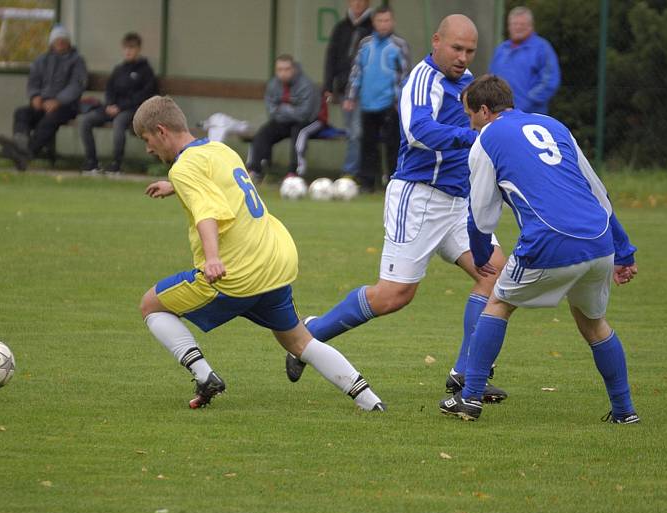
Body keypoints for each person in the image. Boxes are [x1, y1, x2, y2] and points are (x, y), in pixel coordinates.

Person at [285, 15, 508, 404]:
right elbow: (418, 132)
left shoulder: (467, 81)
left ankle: (466, 374)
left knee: (495, 273)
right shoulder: (422, 80)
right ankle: (309, 335)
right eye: (456, 48)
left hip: (458, 202)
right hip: (419, 198)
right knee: (394, 295)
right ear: (436, 41)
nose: (462, 57)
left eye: (470, 51)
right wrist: (471, 135)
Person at [133, 95, 385, 412]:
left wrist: (212, 258)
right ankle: (370, 402)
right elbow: (221, 183)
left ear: (161, 131)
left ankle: (204, 375)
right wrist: (175, 184)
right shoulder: (218, 149)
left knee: (150, 305)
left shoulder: (185, 169)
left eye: (146, 140)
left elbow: (207, 212)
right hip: (274, 259)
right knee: (298, 341)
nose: (148, 149)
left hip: (236, 272)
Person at [439, 75, 639, 424]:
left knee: (498, 303)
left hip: (549, 240)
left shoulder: (487, 138)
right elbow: (599, 192)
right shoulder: (553, 125)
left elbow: (482, 213)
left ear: (484, 111)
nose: (469, 121)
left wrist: (481, 252)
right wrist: (624, 250)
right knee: (594, 324)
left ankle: (469, 398)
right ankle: (625, 411)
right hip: (599, 238)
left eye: (469, 114)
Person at [0, 25, 87, 171]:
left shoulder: (77, 61)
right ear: (52, 42)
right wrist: (35, 96)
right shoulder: (41, 60)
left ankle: (27, 152)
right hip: (42, 103)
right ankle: (20, 145)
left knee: (50, 119)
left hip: (66, 106)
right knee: (22, 113)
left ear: (68, 43)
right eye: (57, 40)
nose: (60, 43)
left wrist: (58, 101)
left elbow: (76, 86)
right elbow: (33, 81)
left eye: (63, 40)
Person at [344, 6, 410, 192]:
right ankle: (367, 182)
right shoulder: (365, 44)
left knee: (392, 144)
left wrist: (400, 100)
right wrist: (351, 96)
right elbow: (357, 71)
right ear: (374, 22)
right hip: (367, 102)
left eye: (386, 21)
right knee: (368, 144)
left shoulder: (399, 45)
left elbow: (405, 74)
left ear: (393, 22)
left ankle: (393, 181)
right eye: (379, 21)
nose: (383, 25)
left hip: (390, 103)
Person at [79, 32, 156, 175]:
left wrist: (120, 107)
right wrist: (109, 104)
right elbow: (110, 89)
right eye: (126, 48)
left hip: (132, 110)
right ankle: (91, 162)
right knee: (86, 121)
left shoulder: (146, 71)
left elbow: (143, 96)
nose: (128, 51)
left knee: (119, 123)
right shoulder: (119, 69)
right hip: (112, 108)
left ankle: (116, 164)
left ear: (139, 49)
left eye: (131, 48)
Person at [245, 55, 320, 182]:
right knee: (263, 133)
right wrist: (290, 110)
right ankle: (254, 170)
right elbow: (272, 111)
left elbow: (304, 113)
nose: (283, 73)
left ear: (294, 69)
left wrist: (283, 109)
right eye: (280, 69)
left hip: (309, 122)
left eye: (287, 69)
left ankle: (294, 173)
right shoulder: (273, 84)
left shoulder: (306, 85)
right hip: (284, 122)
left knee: (299, 133)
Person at [323, 0, 373, 180]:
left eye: (361, 1)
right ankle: (354, 172)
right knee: (352, 132)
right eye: (354, 1)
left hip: (368, 91)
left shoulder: (374, 28)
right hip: (345, 89)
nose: (357, 5)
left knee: (358, 132)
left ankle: (352, 171)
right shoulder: (341, 28)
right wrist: (328, 85)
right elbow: (331, 57)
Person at [488, 6, 560, 114]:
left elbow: (549, 82)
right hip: (500, 113)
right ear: (509, 26)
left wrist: (527, 102)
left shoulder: (542, 48)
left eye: (522, 24)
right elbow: (491, 79)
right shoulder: (501, 49)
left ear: (531, 26)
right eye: (514, 24)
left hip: (530, 115)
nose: (518, 27)